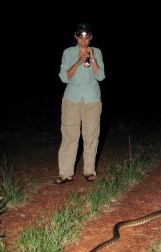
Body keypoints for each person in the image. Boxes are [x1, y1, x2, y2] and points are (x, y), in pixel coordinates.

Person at [55, 22, 106, 184]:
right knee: (70, 135)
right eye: (80, 37)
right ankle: (65, 173)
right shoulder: (68, 53)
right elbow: (64, 78)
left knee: (91, 135)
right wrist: (78, 60)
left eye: (87, 37)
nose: (83, 41)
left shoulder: (97, 52)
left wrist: (93, 59)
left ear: (91, 37)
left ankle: (89, 171)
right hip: (72, 98)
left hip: (92, 98)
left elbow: (101, 76)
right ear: (76, 37)